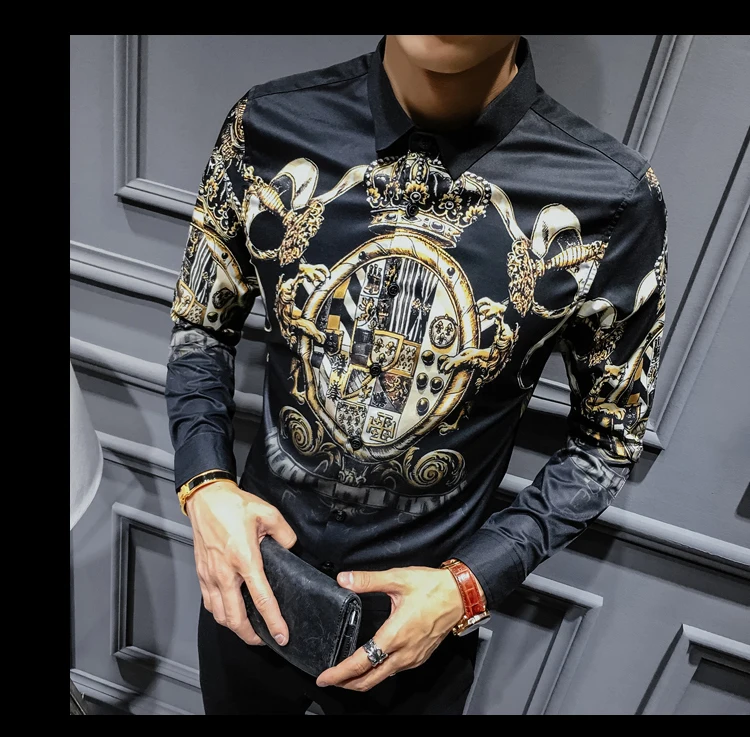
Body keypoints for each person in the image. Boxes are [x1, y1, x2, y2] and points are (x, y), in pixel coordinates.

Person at [165, 34, 667, 715]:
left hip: (419, 637)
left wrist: (469, 585)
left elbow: (607, 441)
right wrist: (205, 485)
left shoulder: (612, 200)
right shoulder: (267, 126)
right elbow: (202, 324)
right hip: (249, 579)